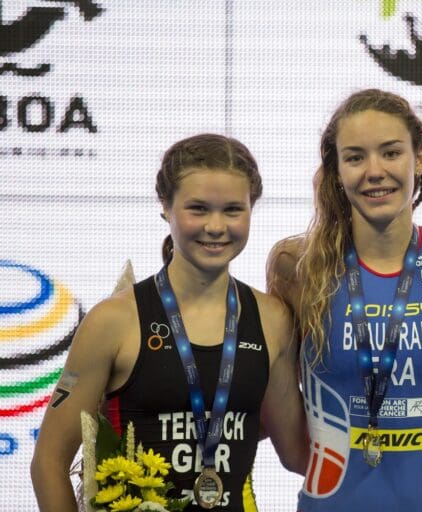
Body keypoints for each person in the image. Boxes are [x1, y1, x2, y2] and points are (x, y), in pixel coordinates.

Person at [31, 134, 308, 512]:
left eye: (232, 210)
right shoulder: (113, 321)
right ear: (166, 206)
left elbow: (298, 454)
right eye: (198, 209)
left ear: (251, 209)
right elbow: (48, 462)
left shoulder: (272, 319)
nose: (215, 226)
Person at [267, 89, 422, 511]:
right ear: (336, 171)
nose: (375, 171)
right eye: (355, 157)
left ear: (418, 159)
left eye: (390, 153)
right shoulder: (296, 264)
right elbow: (291, 442)